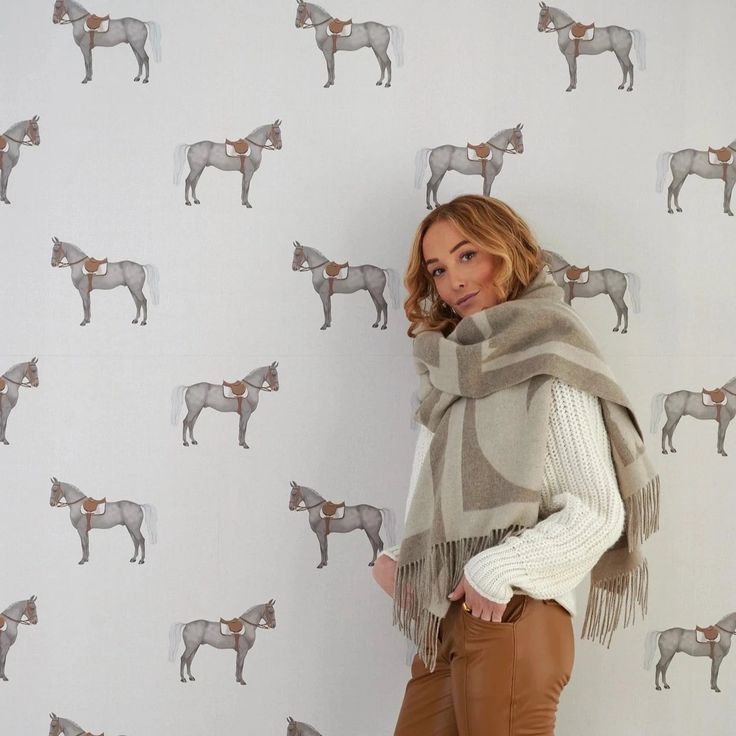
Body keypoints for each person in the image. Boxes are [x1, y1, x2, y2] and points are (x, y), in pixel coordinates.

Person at [371, 194, 660, 736]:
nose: (452, 281)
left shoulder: (551, 352)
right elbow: (433, 500)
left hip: (515, 609)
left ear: (507, 250)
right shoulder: (447, 373)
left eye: (466, 255)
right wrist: (398, 559)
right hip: (445, 618)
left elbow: (597, 512)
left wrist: (495, 570)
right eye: (437, 269)